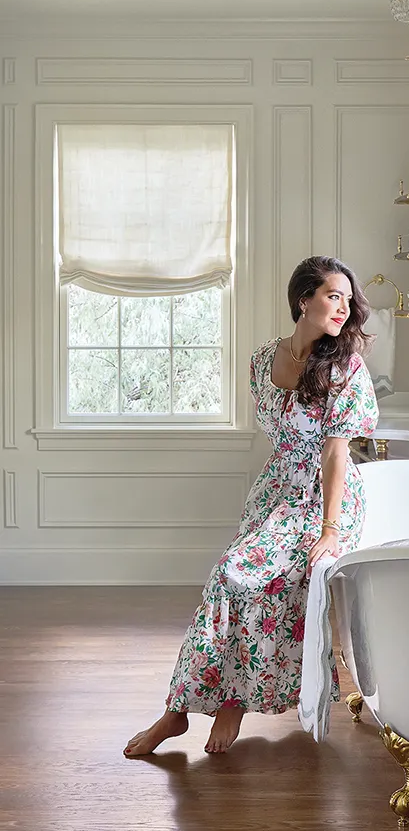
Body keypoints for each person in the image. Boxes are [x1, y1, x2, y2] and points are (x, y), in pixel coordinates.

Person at [124, 255, 378, 758]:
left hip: (326, 497)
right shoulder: (263, 360)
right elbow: (282, 436)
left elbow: (335, 453)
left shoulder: (346, 364)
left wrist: (328, 530)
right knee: (230, 579)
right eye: (334, 296)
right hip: (276, 490)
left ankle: (229, 702)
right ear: (303, 299)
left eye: (349, 300)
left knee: (242, 576)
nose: (344, 308)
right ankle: (179, 711)